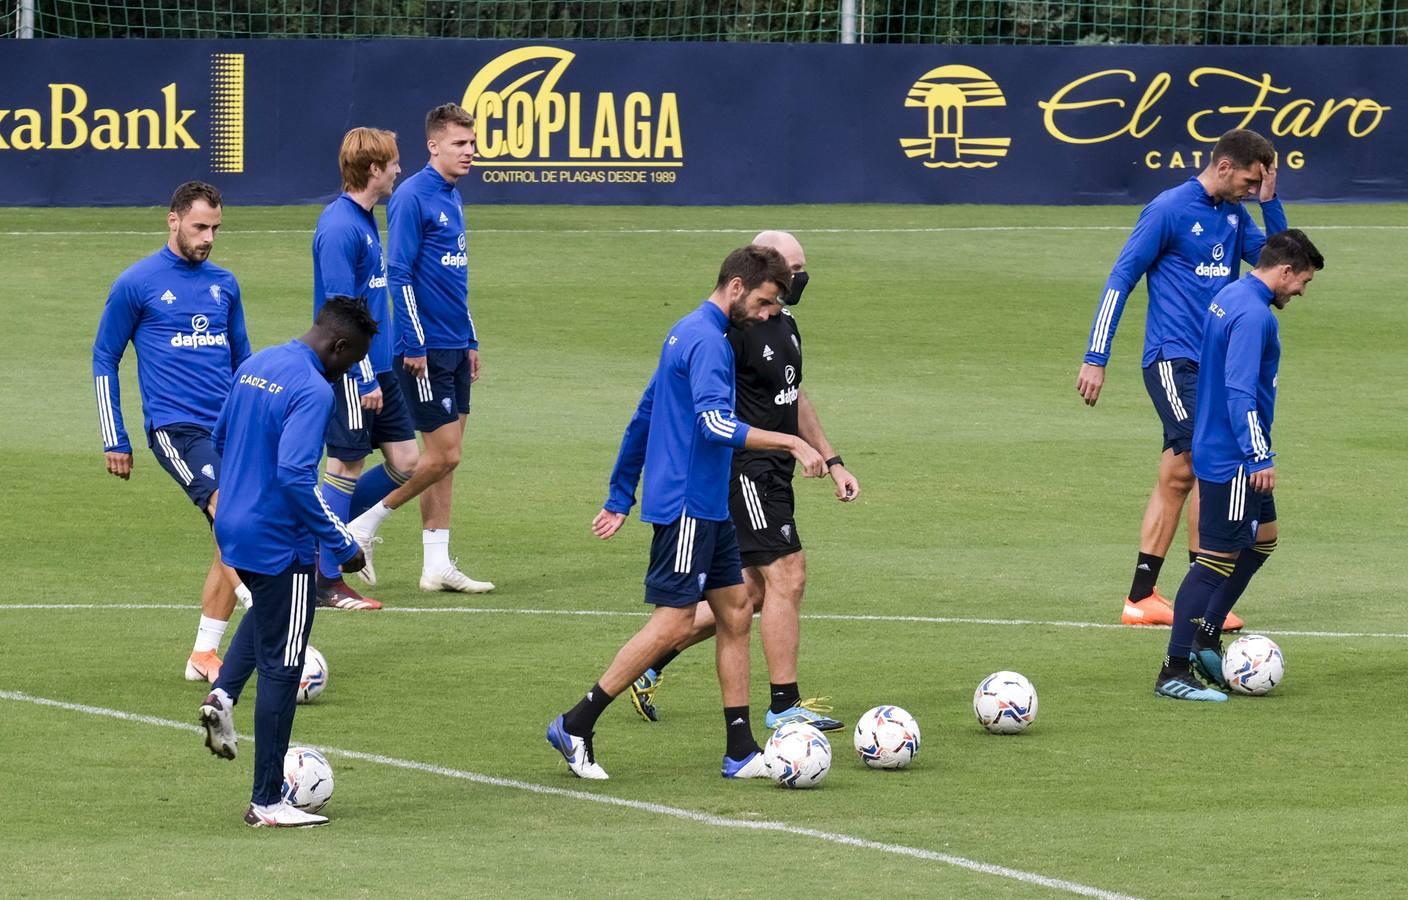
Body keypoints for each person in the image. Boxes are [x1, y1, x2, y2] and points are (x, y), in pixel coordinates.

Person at [546, 245, 827, 781]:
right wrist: (791, 443)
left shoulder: (689, 330)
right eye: (767, 303)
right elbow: (714, 425)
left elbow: (645, 413)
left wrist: (619, 495)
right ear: (738, 287)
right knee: (673, 623)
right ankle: (576, 723)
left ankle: (740, 750)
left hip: (712, 502)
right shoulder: (707, 342)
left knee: (737, 611)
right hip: (686, 506)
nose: (770, 315)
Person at [628, 230, 860, 732]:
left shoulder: (785, 322)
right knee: (788, 574)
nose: (798, 281)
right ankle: (784, 705)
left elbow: (793, 397)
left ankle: (648, 663)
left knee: (746, 596)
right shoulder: (735, 330)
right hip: (746, 469)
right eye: (792, 272)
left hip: (777, 469)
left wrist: (833, 458)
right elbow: (698, 402)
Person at [1078, 128, 1288, 631]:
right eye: (1248, 178)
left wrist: (1271, 201)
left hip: (1214, 367)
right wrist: (1095, 355)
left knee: (1176, 475)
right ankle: (1201, 594)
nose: (1250, 187)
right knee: (1203, 459)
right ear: (1222, 167)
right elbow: (1120, 278)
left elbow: (1280, 263)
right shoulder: (1169, 209)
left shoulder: (1236, 215)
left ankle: (1143, 597)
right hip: (1173, 360)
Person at [197, 296, 376, 826]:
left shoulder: (258, 364)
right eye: (355, 358)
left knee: (268, 615)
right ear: (338, 346)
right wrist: (342, 546)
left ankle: (223, 692)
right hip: (281, 543)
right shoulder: (313, 388)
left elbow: (222, 438)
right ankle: (268, 800)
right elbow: (297, 477)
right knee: (284, 665)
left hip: (234, 526)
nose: (352, 369)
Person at [92, 180, 253, 683]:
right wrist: (114, 437)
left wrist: (259, 422)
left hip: (229, 426)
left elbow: (243, 360)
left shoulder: (224, 284)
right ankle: (263, 605)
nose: (208, 237)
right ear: (174, 220)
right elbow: (104, 358)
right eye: (200, 226)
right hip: (175, 428)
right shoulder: (137, 283)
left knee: (230, 529)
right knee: (229, 513)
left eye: (216, 229)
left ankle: (204, 654)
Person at [1153, 229, 1323, 701]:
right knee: (1213, 563)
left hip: (1220, 445)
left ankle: (1207, 633)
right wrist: (1257, 454)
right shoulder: (1254, 317)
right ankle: (1174, 667)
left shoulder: (1232, 294)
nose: (1301, 292)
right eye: (1302, 282)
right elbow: (1239, 390)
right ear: (1285, 271)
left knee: (1263, 541)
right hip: (1233, 457)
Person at [346, 102, 492, 594]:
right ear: (434, 146)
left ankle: (436, 564)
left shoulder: (452, 196)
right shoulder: (411, 197)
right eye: (460, 144)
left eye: (472, 143)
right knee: (443, 455)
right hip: (423, 349)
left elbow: (456, 279)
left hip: (453, 344)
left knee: (449, 458)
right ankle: (363, 526)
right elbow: (400, 273)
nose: (470, 152)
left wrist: (469, 337)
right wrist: (412, 341)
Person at [311, 127, 420, 610]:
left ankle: (315, 525)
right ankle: (325, 578)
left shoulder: (365, 219)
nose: (399, 168)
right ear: (373, 169)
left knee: (407, 464)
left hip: (379, 364)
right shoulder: (340, 227)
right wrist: (360, 376)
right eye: (393, 162)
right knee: (345, 464)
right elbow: (338, 312)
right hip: (350, 368)